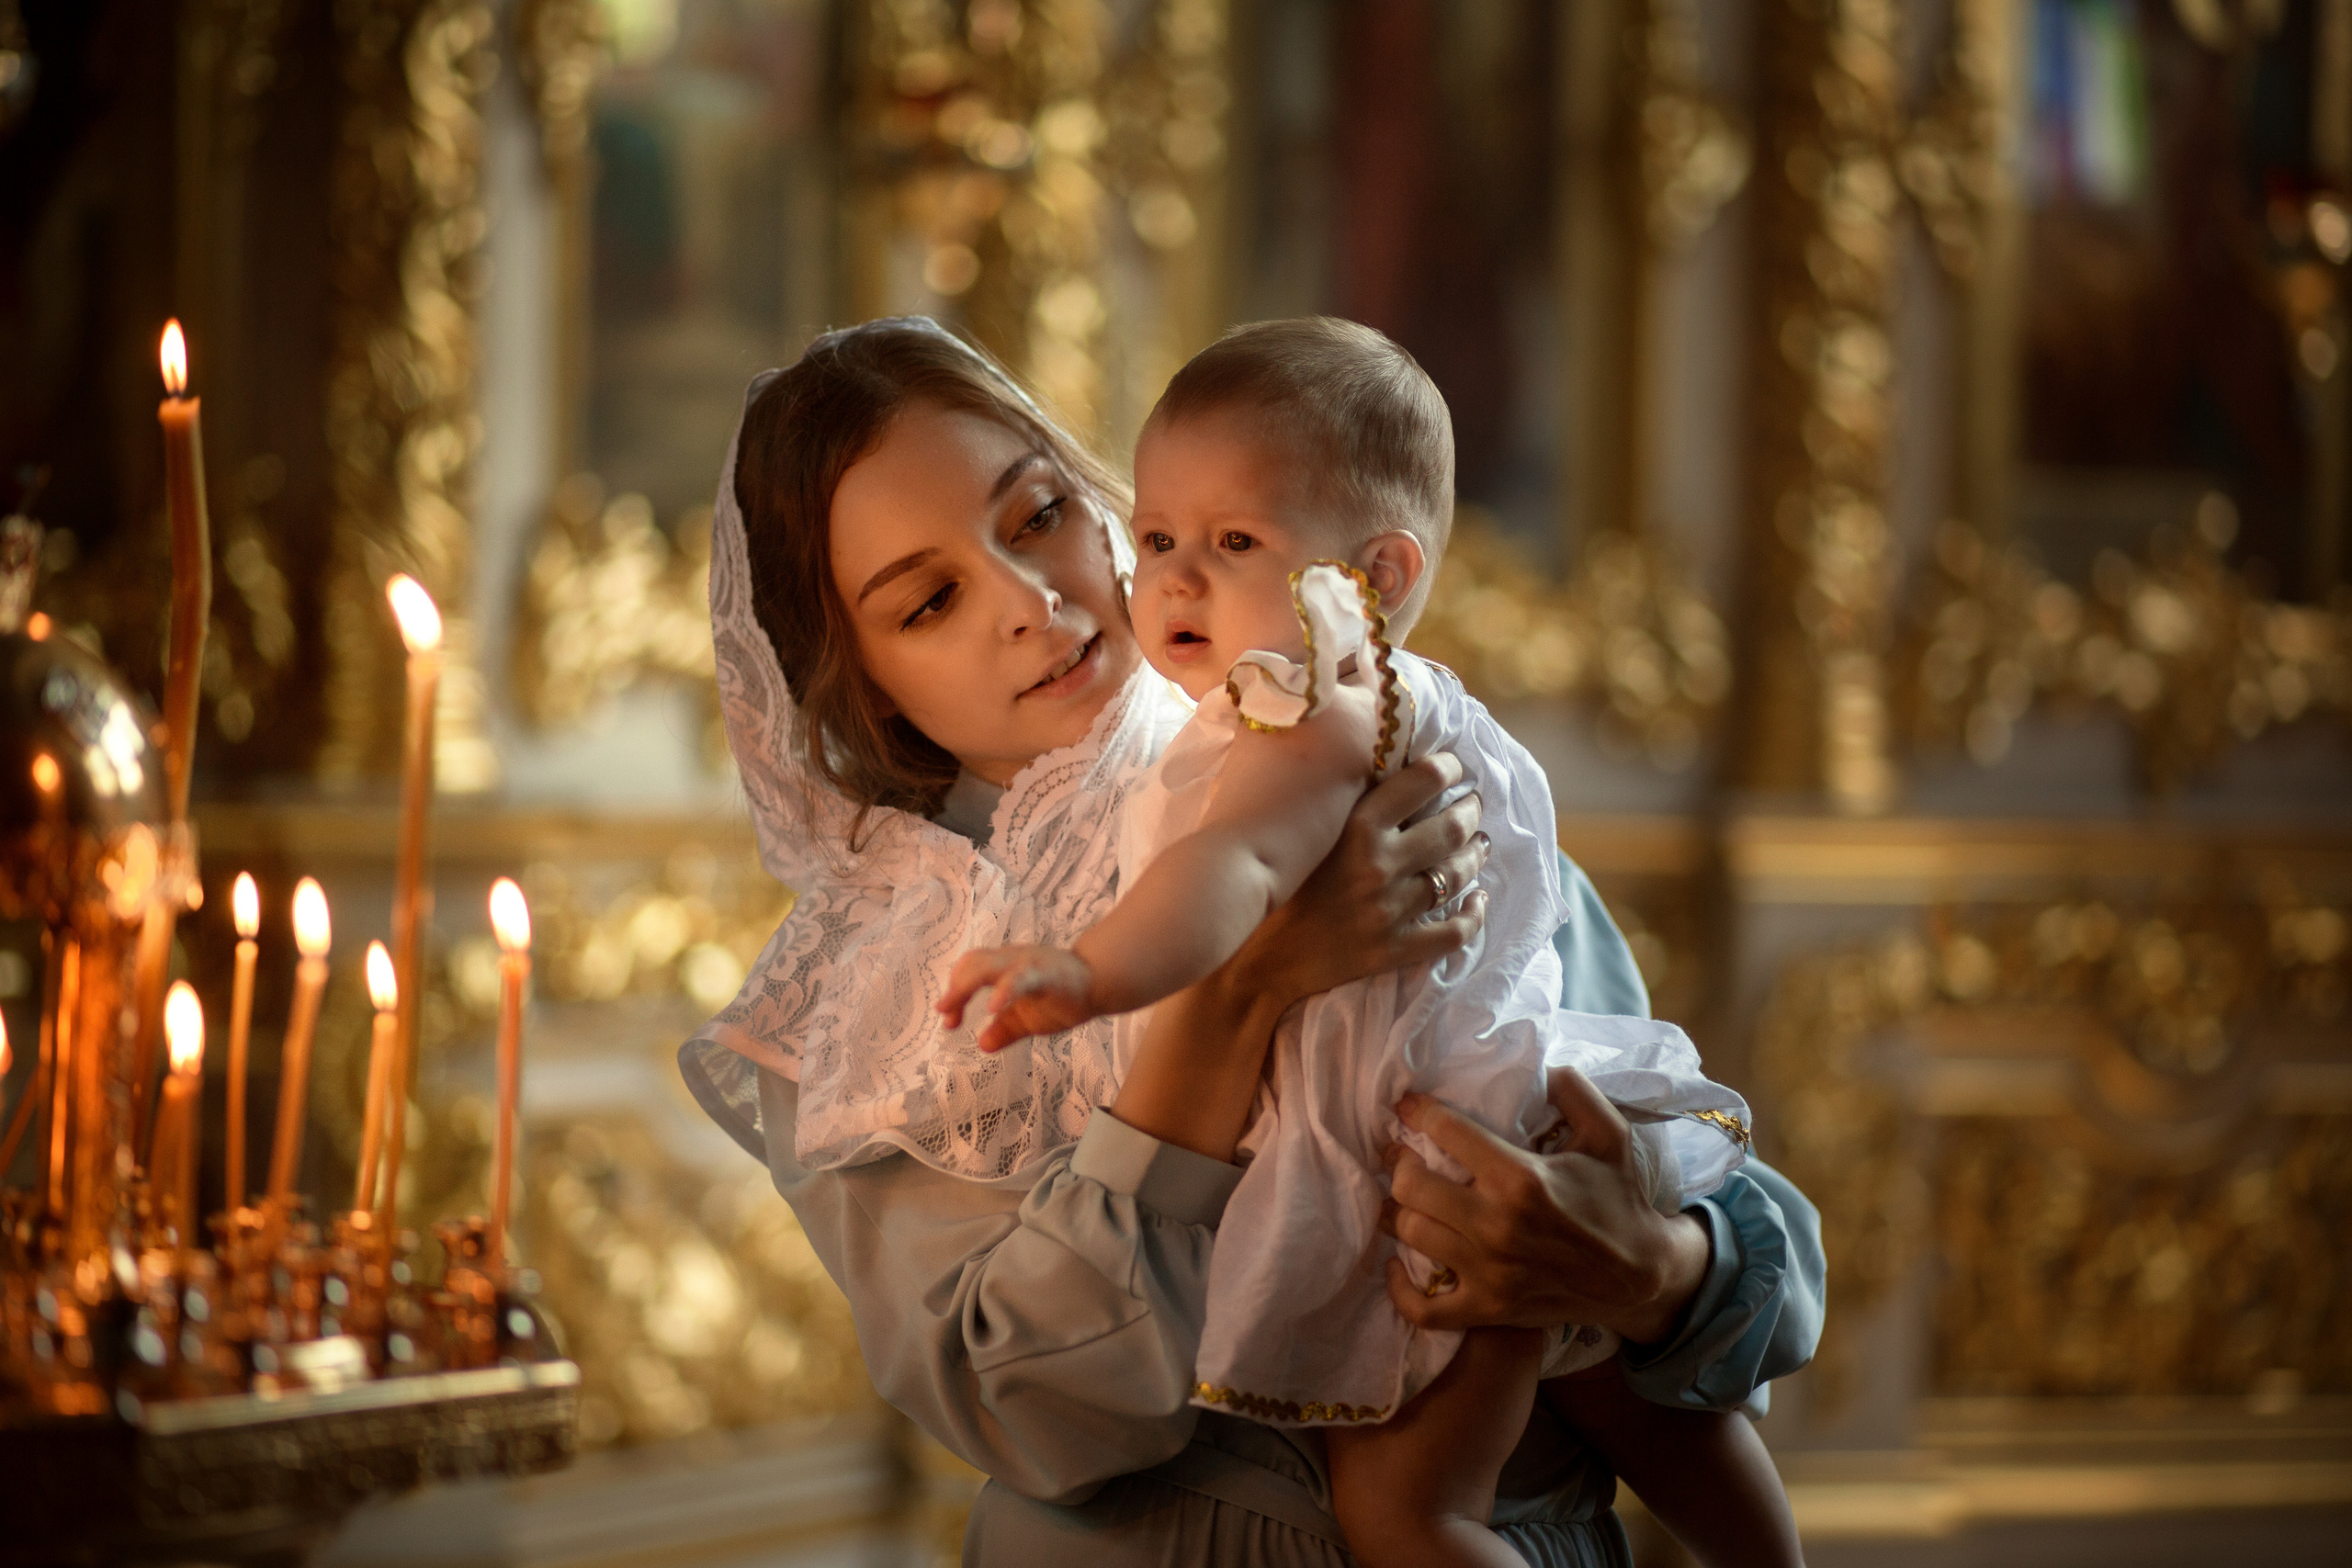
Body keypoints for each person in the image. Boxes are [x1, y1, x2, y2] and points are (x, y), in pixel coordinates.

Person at [677, 317, 1825, 1565]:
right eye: (933, 598)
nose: (1034, 600)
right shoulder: (861, 1010)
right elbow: (1054, 1423)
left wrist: (1645, 1269)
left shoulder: (1366, 760)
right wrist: (1239, 994)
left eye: (1040, 514)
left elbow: (1746, 1259)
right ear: (861, 681)